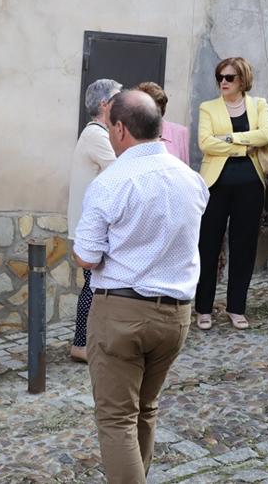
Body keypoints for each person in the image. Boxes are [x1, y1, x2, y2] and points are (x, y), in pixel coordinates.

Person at [72, 89, 209, 484]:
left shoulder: (111, 182)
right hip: (176, 314)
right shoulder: (191, 179)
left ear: (119, 129)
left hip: (122, 311)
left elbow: (87, 256)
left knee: (116, 418)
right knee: (145, 409)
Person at [195, 57, 268, 331]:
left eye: (229, 77)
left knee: (244, 247)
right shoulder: (208, 107)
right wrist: (242, 145)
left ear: (242, 79)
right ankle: (203, 308)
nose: (223, 82)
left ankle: (236, 307)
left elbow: (266, 134)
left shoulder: (258, 104)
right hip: (215, 185)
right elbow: (205, 143)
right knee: (208, 246)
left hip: (251, 184)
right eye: (220, 77)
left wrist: (228, 139)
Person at [66, 78, 121, 363]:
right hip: (91, 227)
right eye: (118, 99)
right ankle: (80, 344)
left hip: (89, 224)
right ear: (105, 104)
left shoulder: (95, 134)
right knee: (93, 286)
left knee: (94, 285)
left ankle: (85, 342)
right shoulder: (97, 135)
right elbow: (120, 169)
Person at [136, 81, 190, 165]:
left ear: (162, 109)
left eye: (154, 109)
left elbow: (185, 168)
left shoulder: (180, 132)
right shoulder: (131, 132)